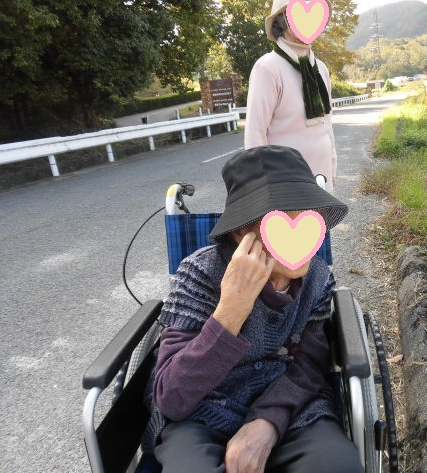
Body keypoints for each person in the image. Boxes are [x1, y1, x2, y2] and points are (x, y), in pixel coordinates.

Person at [147, 145, 362, 472]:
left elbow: (309, 366)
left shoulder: (318, 279)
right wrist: (231, 309)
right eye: (280, 222)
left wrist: (268, 422)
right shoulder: (201, 274)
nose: (300, 240)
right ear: (241, 231)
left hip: (291, 405)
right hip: (203, 410)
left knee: (337, 464)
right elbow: (172, 398)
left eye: (308, 219)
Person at [245, 0, 337, 192]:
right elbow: (255, 133)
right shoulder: (268, 68)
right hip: (284, 184)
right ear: (281, 21)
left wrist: (332, 166)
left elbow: (326, 124)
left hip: (322, 180)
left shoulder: (320, 68)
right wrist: (262, 187)